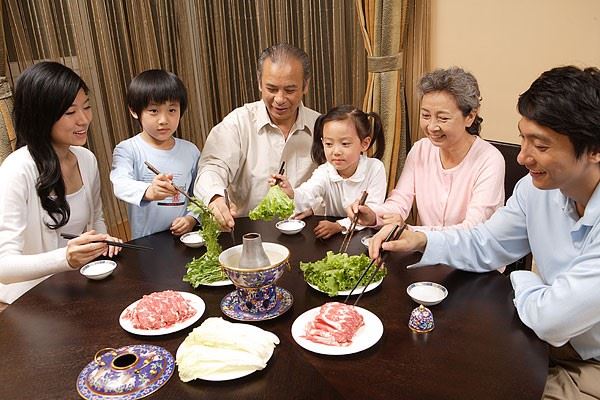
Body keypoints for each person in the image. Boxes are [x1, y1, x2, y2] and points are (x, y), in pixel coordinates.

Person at [370, 66, 600, 399]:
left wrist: (524, 280)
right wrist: (423, 238)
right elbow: (486, 242)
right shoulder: (534, 190)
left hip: (588, 361)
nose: (522, 157)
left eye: (541, 146)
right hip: (536, 337)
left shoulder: (491, 161)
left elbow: (552, 320)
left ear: (594, 149)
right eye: (523, 138)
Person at [0, 62, 122, 305]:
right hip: (32, 297)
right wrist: (65, 258)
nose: (84, 119)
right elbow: (4, 266)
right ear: (41, 116)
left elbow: (96, 219)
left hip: (80, 283)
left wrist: (102, 241)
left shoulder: (86, 159)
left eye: (86, 107)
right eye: (70, 112)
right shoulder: (17, 170)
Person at [348, 67, 505, 231]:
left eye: (443, 118)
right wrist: (373, 215)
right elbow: (400, 202)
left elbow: (473, 230)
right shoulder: (421, 150)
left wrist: (409, 231)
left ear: (470, 117)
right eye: (425, 115)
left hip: (472, 255)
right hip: (427, 251)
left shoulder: (490, 160)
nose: (432, 127)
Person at [193, 43, 320, 230]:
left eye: (290, 90)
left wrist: (315, 206)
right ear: (259, 82)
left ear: (305, 86)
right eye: (272, 89)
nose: (279, 99)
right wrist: (215, 198)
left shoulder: (321, 126)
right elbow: (212, 166)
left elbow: (341, 180)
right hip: (249, 234)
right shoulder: (238, 122)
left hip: (307, 231)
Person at [110, 69, 200, 239]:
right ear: (134, 111)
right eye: (153, 111)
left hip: (184, 238)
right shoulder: (128, 149)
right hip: (146, 241)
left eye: (172, 110)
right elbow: (120, 184)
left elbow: (198, 193)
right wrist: (149, 191)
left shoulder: (190, 150)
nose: (164, 120)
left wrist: (192, 218)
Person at [273, 105, 387, 239]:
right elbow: (308, 192)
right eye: (328, 144)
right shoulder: (325, 171)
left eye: (345, 144)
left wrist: (339, 226)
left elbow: (373, 211)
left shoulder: (375, 168)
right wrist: (291, 193)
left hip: (366, 236)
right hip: (333, 238)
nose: (336, 152)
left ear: (364, 144)